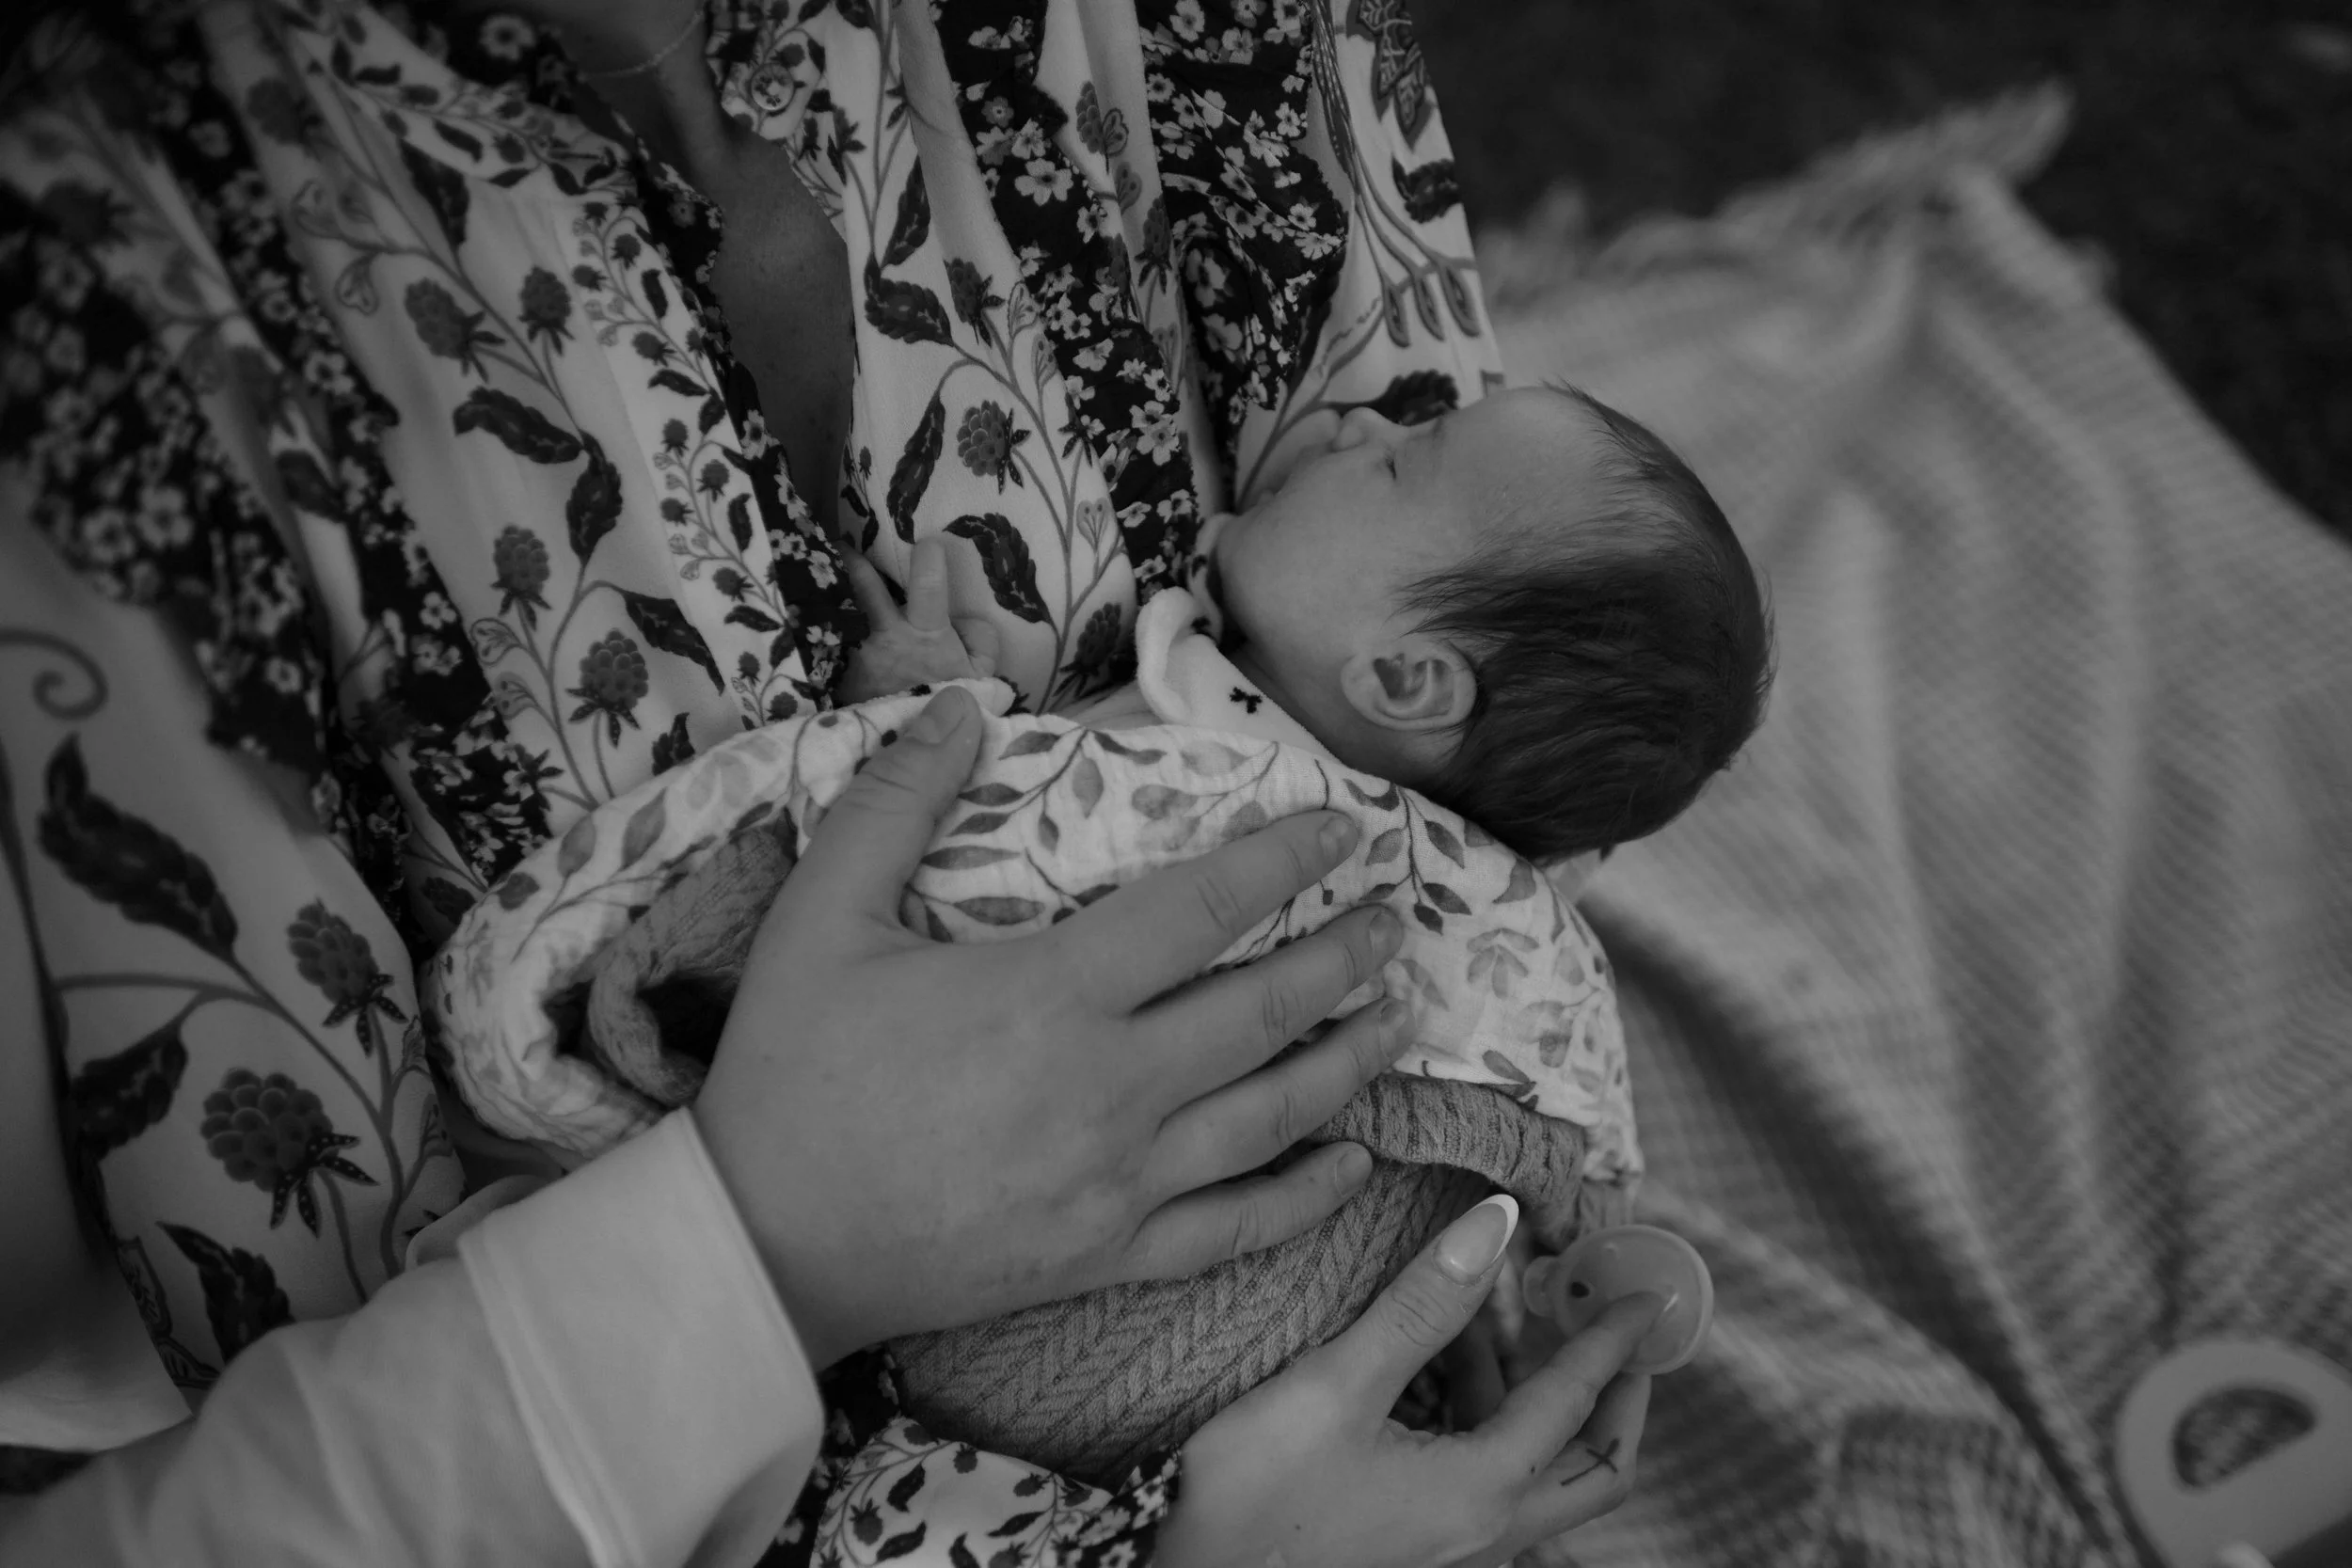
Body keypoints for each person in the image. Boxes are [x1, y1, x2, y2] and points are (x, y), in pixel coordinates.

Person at [0, 0, 1668, 1559]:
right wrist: (772, 1242)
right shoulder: (83, 298)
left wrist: (1537, 1243)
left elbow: (1502, 748)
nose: (1374, 456)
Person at [849, 384, 1773, 867]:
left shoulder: (1205, 789)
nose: (1360, 423)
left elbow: (958, 855)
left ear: (1405, 677)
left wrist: (916, 709)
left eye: (1399, 465)